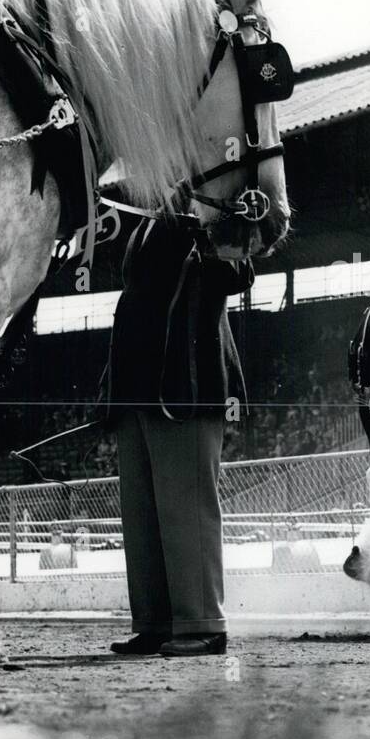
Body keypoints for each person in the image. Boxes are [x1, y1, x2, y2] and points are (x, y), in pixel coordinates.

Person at [105, 214, 254, 658]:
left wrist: (210, 231)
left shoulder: (209, 217)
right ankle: (154, 622)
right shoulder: (144, 229)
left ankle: (203, 621)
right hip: (138, 388)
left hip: (188, 383)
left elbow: (239, 271)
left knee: (186, 505)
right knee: (143, 511)